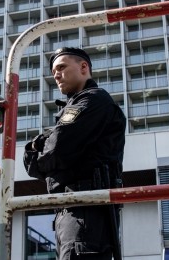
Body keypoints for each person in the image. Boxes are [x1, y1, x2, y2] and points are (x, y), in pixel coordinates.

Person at [23, 47, 126, 260]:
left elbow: (57, 149)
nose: (56, 75)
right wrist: (41, 149)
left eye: (61, 67)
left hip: (87, 209)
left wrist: (41, 148)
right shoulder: (73, 107)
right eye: (53, 72)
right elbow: (35, 162)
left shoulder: (93, 100)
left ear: (83, 67)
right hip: (71, 208)